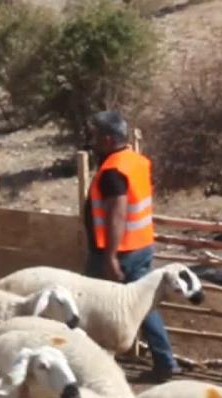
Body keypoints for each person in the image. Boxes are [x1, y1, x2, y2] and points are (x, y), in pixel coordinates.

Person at [83, 111, 178, 381]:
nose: (93, 141)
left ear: (109, 138)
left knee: (85, 302)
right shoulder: (134, 161)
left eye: (97, 136)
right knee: (143, 305)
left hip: (118, 252)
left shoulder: (114, 170)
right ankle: (164, 361)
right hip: (140, 244)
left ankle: (91, 367)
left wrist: (110, 256)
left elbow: (118, 213)